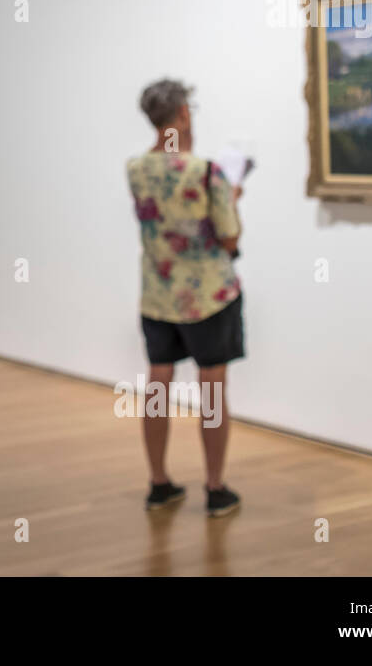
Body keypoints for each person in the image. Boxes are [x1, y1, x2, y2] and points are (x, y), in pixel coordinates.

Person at [126, 79, 244, 518]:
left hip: (157, 296)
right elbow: (229, 238)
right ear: (183, 114)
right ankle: (215, 489)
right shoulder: (205, 172)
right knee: (211, 390)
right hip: (208, 298)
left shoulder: (136, 168)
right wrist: (231, 197)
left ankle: (159, 484)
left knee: (158, 385)